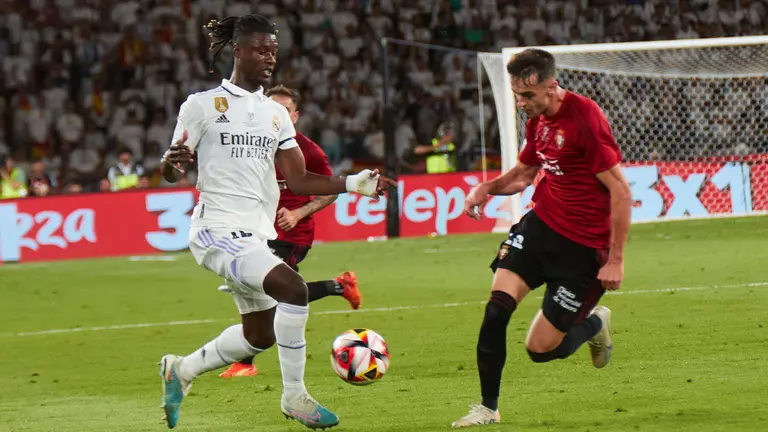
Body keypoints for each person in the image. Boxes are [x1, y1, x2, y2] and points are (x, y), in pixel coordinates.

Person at [157, 14, 393, 430]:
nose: (269, 57)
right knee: (293, 288)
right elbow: (174, 168)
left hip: (254, 234)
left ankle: (183, 370)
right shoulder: (202, 105)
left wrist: (356, 183)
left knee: (260, 335)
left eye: (273, 50)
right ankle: (295, 397)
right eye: (261, 49)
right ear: (238, 51)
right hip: (216, 230)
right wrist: (170, 164)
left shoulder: (274, 115)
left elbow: (300, 179)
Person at [451, 48, 632, 428]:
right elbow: (524, 173)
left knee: (541, 350)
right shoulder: (538, 121)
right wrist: (487, 187)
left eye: (527, 95)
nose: (520, 103)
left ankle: (595, 324)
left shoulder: (585, 119)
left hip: (583, 250)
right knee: (496, 309)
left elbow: (620, 192)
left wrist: (615, 259)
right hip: (541, 227)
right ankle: (488, 408)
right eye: (517, 94)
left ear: (552, 86)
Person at [217, 84, 362, 379]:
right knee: (264, 291)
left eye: (284, 110)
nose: (276, 115)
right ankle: (339, 285)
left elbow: (331, 191)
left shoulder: (308, 151)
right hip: (258, 230)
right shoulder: (249, 145)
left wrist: (298, 212)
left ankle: (245, 361)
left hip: (291, 234)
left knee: (269, 291)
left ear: (294, 116)